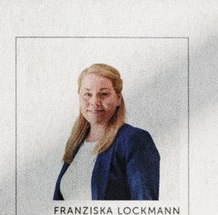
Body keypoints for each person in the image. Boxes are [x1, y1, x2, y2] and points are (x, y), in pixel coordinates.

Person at [52, 63, 161, 201]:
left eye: (103, 94)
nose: (94, 101)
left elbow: (144, 209)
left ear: (118, 99)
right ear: (79, 96)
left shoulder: (134, 140)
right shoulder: (76, 143)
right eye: (87, 94)